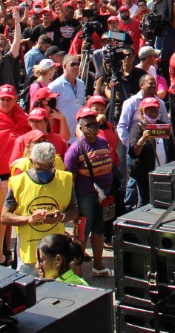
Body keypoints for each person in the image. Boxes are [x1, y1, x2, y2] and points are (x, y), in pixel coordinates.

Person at [2, 141, 76, 277]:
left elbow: (74, 211)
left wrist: (62, 217)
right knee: (28, 287)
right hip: (30, 253)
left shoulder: (66, 179)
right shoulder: (18, 182)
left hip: (56, 253)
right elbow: (4, 216)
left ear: (54, 162)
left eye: (49, 167)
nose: (45, 172)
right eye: (40, 168)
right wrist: (29, 219)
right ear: (31, 161)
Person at [63, 109, 114, 279]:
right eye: (88, 125)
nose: (92, 128)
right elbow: (70, 180)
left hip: (103, 196)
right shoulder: (75, 149)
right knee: (82, 234)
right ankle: (77, 271)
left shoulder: (102, 141)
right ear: (81, 127)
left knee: (99, 230)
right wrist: (74, 205)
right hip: (84, 195)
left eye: (95, 124)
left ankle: (98, 267)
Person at [126, 97, 172, 207]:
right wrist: (142, 139)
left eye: (155, 109)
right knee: (144, 203)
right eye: (149, 109)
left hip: (163, 174)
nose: (152, 112)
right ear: (143, 111)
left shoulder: (163, 126)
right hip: (144, 176)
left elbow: (171, 150)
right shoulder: (137, 128)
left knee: (163, 202)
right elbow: (133, 153)